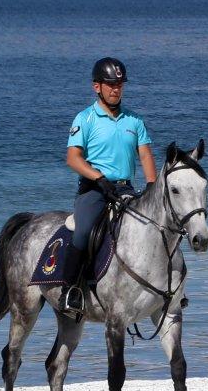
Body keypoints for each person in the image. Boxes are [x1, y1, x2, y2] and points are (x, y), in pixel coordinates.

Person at [61, 57, 157, 318]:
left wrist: (152, 186)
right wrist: (98, 177)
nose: (116, 89)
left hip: (125, 189)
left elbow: (145, 155)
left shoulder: (134, 121)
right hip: (94, 190)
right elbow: (73, 159)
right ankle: (70, 290)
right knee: (83, 232)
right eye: (111, 84)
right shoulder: (85, 118)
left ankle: (167, 288)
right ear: (97, 87)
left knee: (156, 226)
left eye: (120, 84)